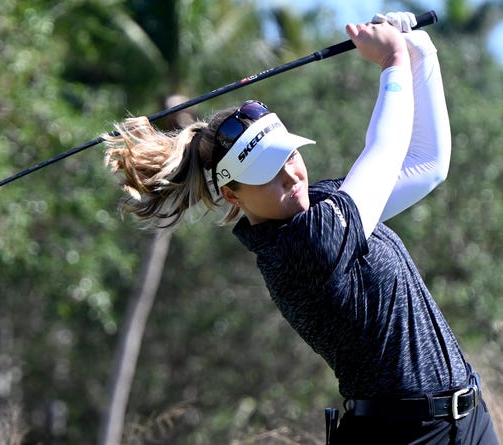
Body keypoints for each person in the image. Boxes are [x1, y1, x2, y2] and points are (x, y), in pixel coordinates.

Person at [103, 11, 500, 445]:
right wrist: (392, 63)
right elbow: (384, 152)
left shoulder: (323, 204)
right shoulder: (304, 247)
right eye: (267, 172)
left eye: (289, 155)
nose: (292, 175)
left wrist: (418, 49)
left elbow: (427, 165)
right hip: (403, 436)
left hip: (467, 420)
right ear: (233, 195)